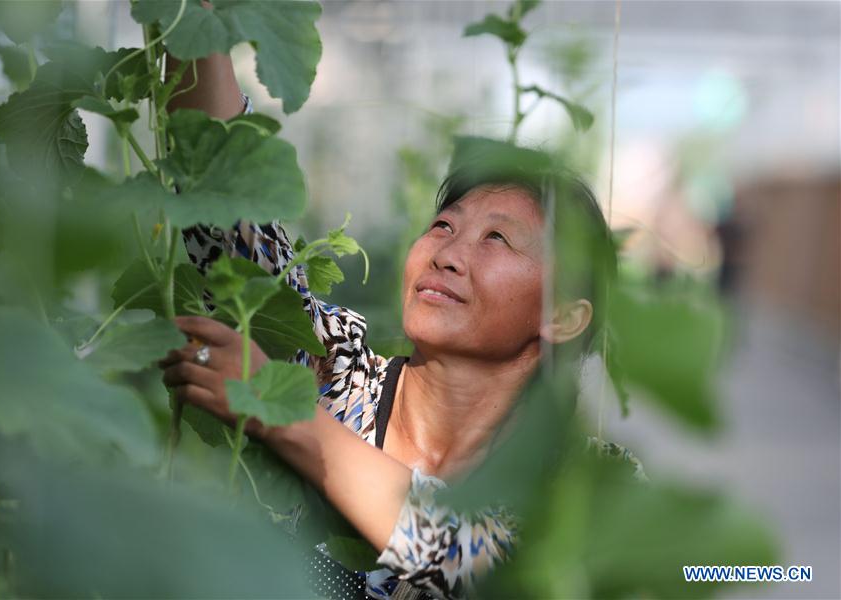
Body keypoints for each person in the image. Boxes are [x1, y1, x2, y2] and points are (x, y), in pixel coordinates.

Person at [158, 50, 643, 600]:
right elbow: (230, 222)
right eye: (442, 226)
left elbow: (472, 558)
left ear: (562, 314)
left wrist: (283, 414)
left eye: (496, 239)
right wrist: (196, 26)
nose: (449, 254)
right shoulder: (331, 374)